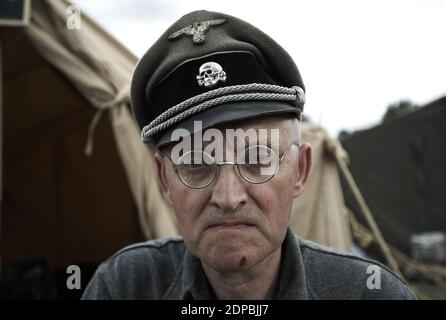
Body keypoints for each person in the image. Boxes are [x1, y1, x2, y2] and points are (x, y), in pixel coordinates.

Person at [82, 10, 415, 300]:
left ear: (301, 169)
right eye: (197, 164)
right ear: (164, 181)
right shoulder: (123, 287)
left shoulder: (372, 294)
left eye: (258, 160)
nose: (228, 198)